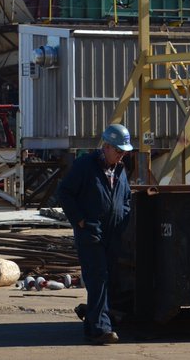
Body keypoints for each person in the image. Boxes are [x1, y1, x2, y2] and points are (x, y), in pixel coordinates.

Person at [56, 122, 134, 345]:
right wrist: (80, 220)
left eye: (124, 153)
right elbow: (65, 193)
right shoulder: (85, 166)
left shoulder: (119, 170)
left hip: (113, 234)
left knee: (107, 279)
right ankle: (101, 328)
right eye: (118, 151)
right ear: (107, 146)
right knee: (98, 279)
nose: (121, 156)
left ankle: (92, 325)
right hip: (90, 233)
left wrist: (123, 217)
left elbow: (125, 198)